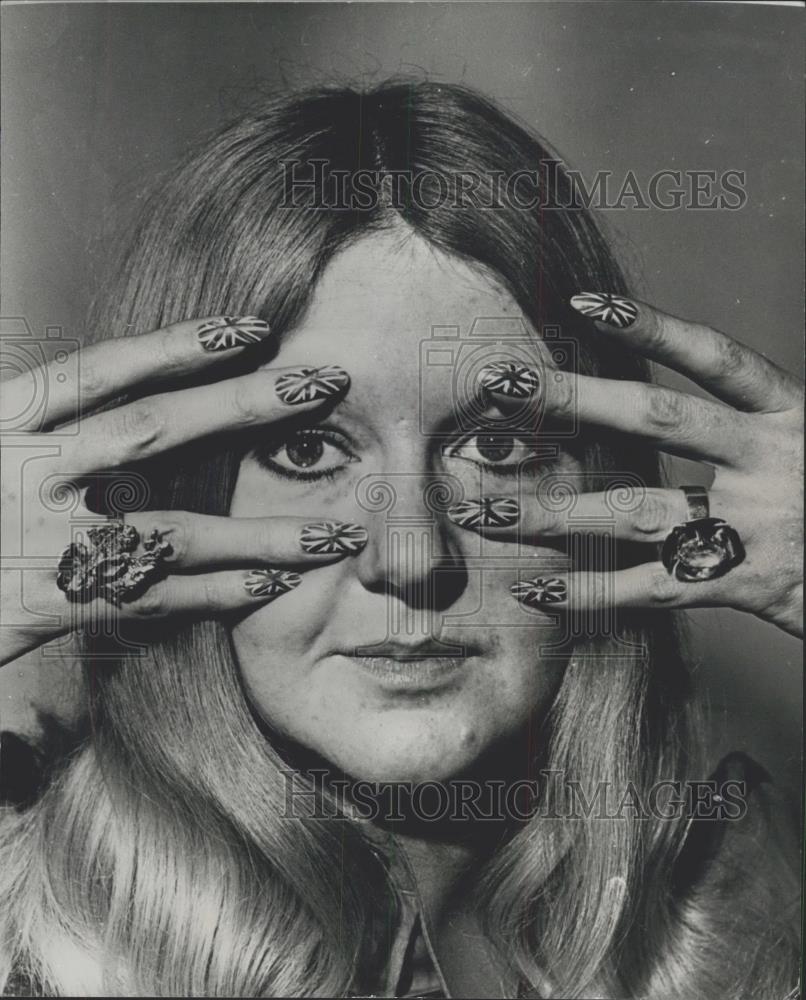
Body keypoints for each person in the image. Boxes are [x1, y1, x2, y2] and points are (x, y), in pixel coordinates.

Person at [0, 80, 801, 998]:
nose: (412, 556)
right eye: (307, 449)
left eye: (497, 447)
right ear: (163, 500)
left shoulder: (745, 913)